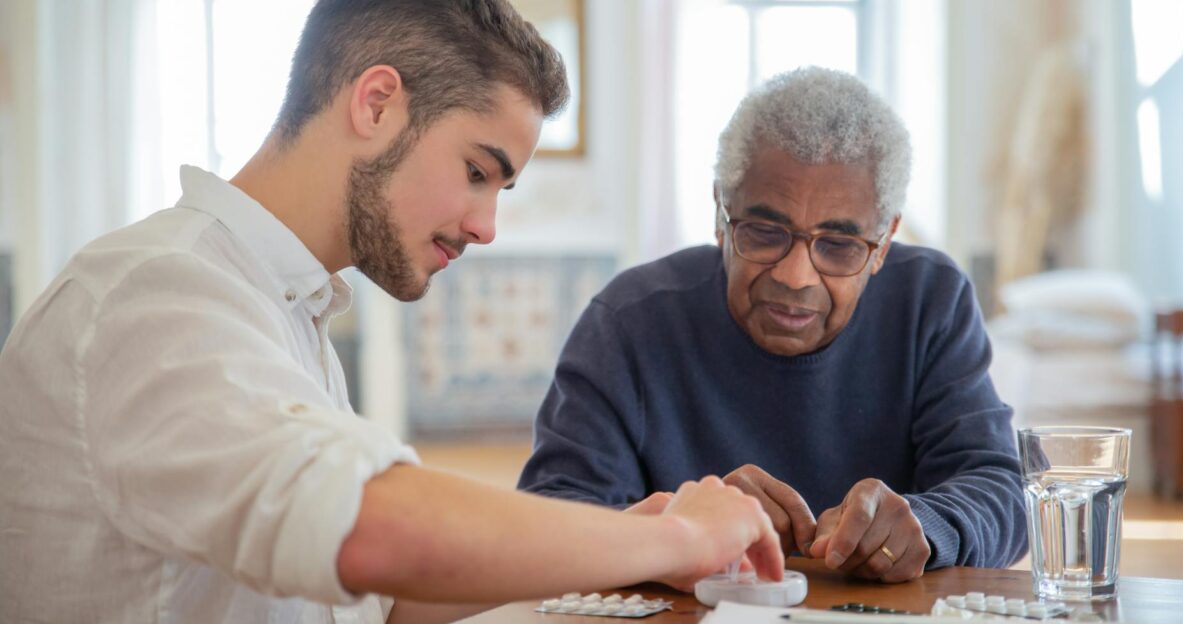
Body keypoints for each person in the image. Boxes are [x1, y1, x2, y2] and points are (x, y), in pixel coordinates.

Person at [0, 1, 784, 622]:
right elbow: (369, 529)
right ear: (376, 103)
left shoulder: (282, 308)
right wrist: (668, 534)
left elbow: (377, 601)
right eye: (478, 171)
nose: (486, 226)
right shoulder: (153, 293)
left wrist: (628, 547)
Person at [519, 67, 1028, 584]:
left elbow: (1002, 490)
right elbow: (549, 522)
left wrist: (929, 521)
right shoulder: (630, 321)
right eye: (764, 232)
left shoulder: (930, 302)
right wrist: (684, 527)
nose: (795, 275)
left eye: (839, 245)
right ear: (720, 214)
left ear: (884, 241)